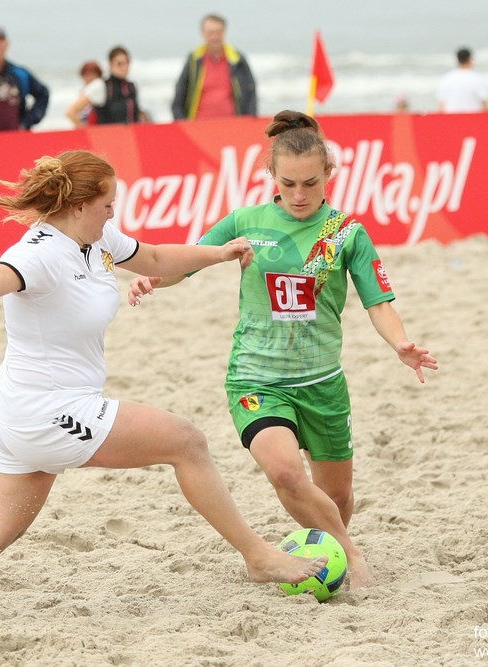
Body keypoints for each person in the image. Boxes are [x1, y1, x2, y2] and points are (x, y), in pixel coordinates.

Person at [0, 149, 328, 621]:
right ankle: (257, 555)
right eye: (108, 204)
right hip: (46, 411)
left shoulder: (97, 240)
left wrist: (218, 253)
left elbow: (155, 256)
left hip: (23, 408)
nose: (114, 213)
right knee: (186, 441)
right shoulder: (39, 253)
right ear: (79, 206)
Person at [128, 111, 439, 590]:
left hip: (322, 384)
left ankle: (327, 555)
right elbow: (188, 260)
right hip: (256, 379)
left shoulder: (345, 233)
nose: (298, 194)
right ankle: (352, 559)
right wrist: (154, 277)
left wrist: (400, 342)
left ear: (329, 175)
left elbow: (379, 302)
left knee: (336, 498)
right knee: (287, 474)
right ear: (271, 175)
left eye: (310, 183)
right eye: (288, 182)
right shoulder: (246, 222)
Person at [171, 14, 257, 121]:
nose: (215, 37)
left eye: (218, 32)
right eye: (211, 33)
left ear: (224, 32)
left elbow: (251, 91)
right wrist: (181, 122)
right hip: (198, 127)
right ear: (203, 33)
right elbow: (179, 94)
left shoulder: (237, 59)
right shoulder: (193, 60)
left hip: (233, 126)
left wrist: (250, 120)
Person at [66, 47, 149, 127]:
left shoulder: (131, 87)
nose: (124, 67)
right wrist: (89, 134)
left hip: (131, 138)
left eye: (127, 63)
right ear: (110, 64)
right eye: (119, 64)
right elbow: (71, 112)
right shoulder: (101, 86)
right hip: (107, 138)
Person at [437, 48, 488, 113]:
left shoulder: (446, 78)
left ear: (457, 60)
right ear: (470, 59)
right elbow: (485, 104)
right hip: (473, 118)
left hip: (452, 118)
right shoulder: (477, 78)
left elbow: (441, 106)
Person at [70, 60, 103, 126]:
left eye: (92, 75)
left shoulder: (100, 91)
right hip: (85, 130)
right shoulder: (82, 93)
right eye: (86, 75)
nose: (89, 78)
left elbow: (70, 113)